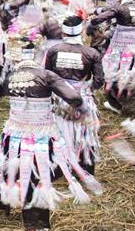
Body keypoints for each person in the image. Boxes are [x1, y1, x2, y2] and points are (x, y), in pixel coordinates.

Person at [0, 41, 101, 231]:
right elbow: (74, 97)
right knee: (37, 173)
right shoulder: (46, 76)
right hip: (40, 136)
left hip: (13, 135)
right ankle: (35, 225)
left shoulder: (11, 78)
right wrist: (75, 109)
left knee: (5, 166)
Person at [43, 16, 104, 175]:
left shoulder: (53, 50)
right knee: (84, 134)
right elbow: (99, 80)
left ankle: (58, 168)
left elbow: (47, 76)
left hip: (60, 99)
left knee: (59, 131)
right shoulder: (92, 53)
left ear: (64, 31)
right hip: (82, 99)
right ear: (82, 30)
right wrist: (86, 89)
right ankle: (86, 169)